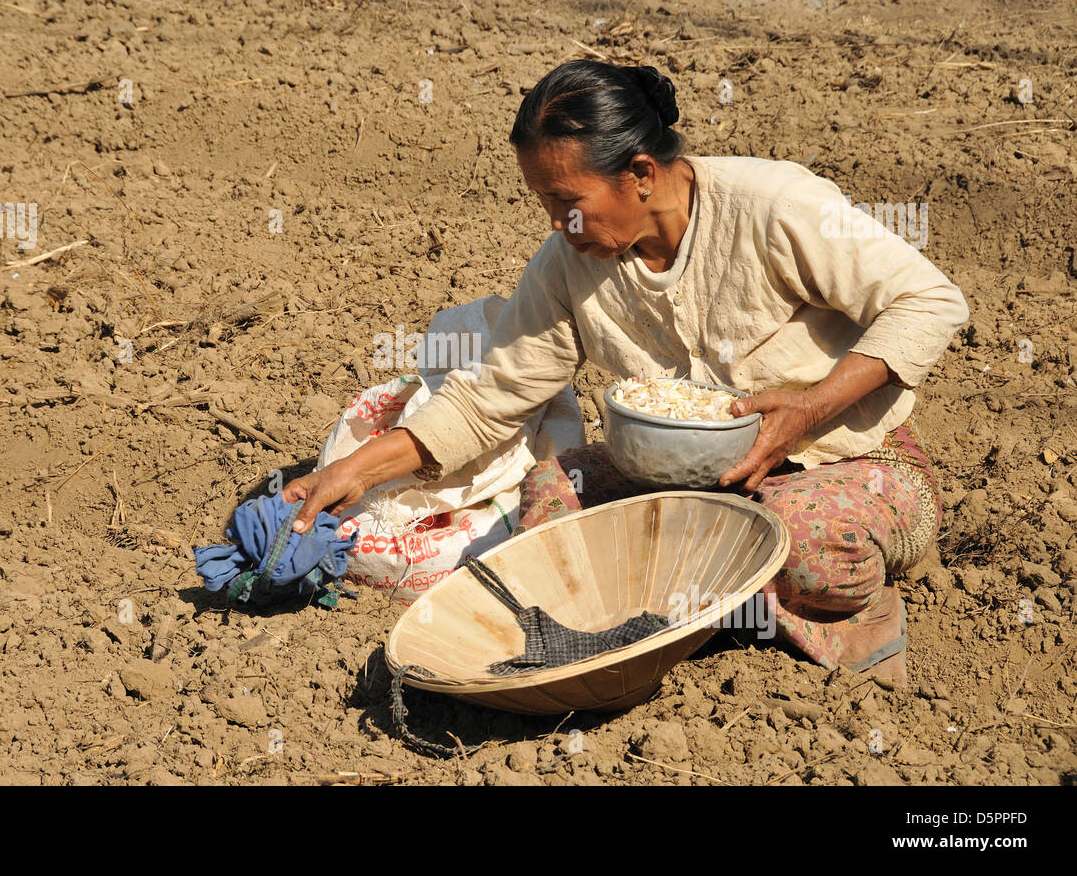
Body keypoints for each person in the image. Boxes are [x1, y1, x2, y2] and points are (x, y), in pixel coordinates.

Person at [283, 59, 969, 687]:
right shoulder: (566, 263)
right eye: (544, 204)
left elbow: (930, 300)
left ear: (641, 173)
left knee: (795, 542)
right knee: (550, 494)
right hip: (676, 478)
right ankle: (693, 607)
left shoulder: (774, 206)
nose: (556, 222)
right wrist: (360, 469)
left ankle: (840, 602)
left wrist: (808, 410)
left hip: (844, 466)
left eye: (566, 200)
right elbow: (490, 396)